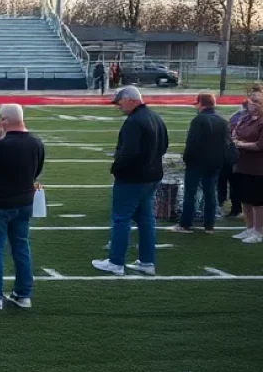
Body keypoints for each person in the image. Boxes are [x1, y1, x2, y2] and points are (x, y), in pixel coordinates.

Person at [0, 104, 45, 311]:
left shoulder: (1, 145)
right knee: (21, 246)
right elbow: (36, 171)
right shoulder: (36, 142)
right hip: (24, 203)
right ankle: (23, 294)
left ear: (4, 120)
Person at [92, 86, 169, 276]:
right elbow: (164, 146)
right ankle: (146, 261)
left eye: (120, 102)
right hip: (151, 176)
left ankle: (116, 262)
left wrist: (116, 169)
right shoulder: (155, 117)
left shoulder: (134, 121)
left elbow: (129, 152)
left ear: (131, 100)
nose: (119, 106)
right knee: (146, 220)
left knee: (121, 218)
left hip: (133, 178)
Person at [172, 92, 228, 234]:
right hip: (215, 162)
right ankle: (209, 225)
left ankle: (186, 224)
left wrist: (186, 158)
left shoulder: (198, 120)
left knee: (190, 193)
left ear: (201, 103)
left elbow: (192, 143)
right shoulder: (222, 121)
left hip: (197, 162)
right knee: (210, 193)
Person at [231, 89, 263, 244]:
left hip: (257, 167)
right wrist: (236, 139)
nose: (254, 105)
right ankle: (249, 228)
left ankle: (258, 232)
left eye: (258, 102)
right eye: (252, 101)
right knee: (244, 198)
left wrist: (241, 144)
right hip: (241, 164)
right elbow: (235, 133)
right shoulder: (245, 117)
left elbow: (260, 145)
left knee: (257, 200)